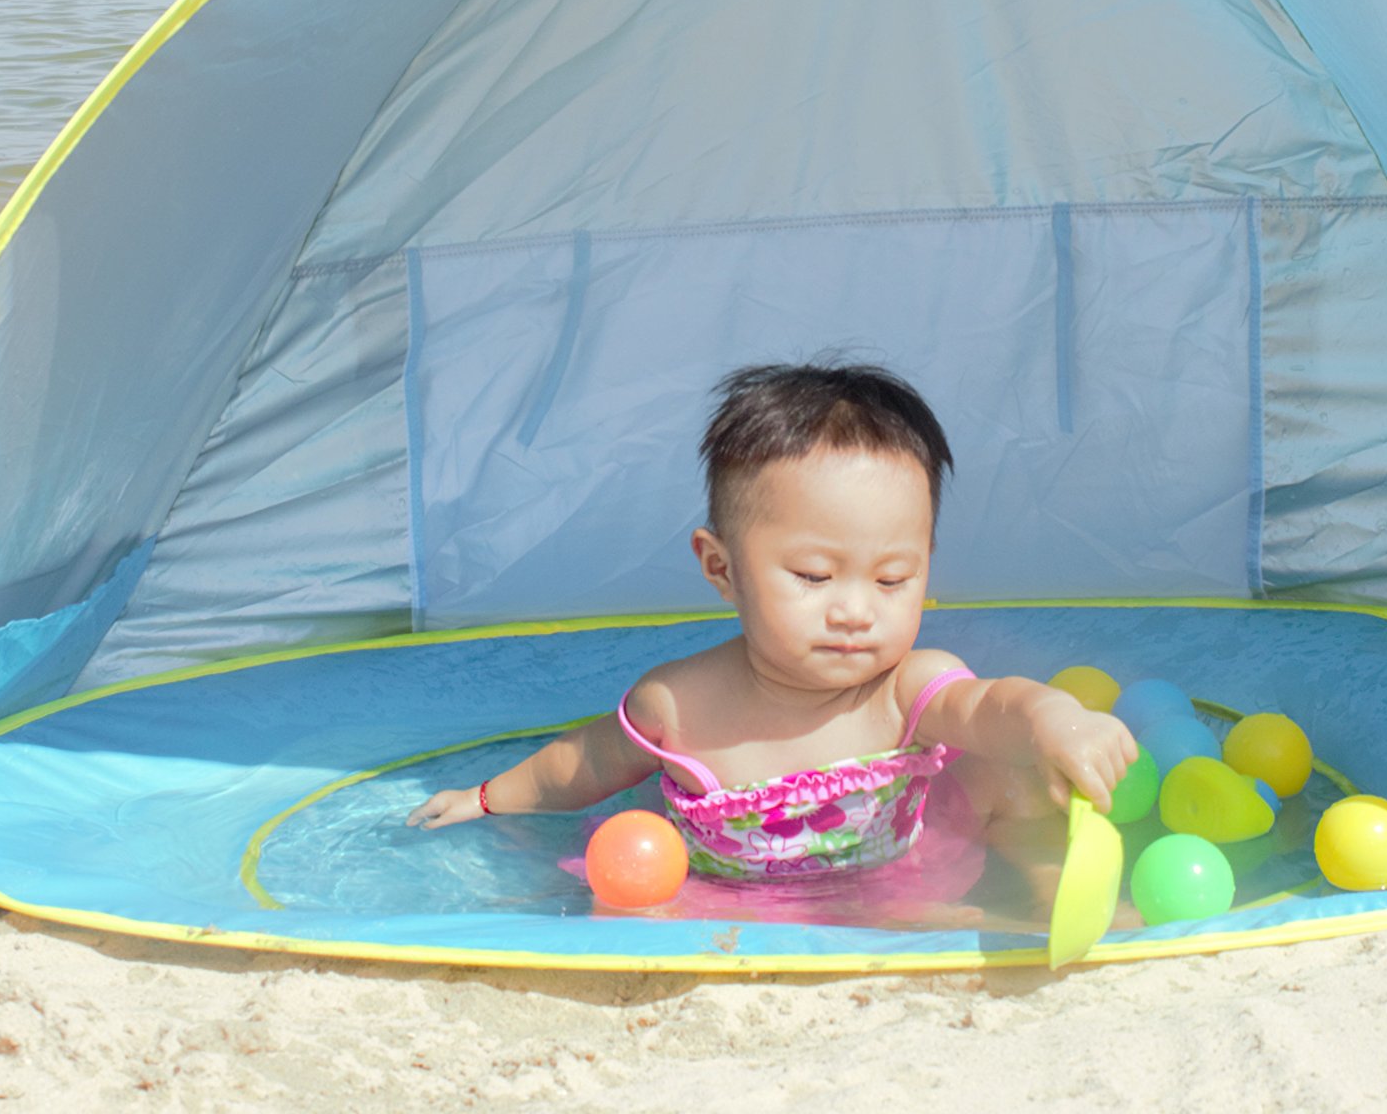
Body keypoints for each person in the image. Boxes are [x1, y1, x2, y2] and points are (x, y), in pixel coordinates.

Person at [407, 362, 1135, 918]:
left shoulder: (907, 687)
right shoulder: (679, 705)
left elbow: (993, 706)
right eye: (815, 575)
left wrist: (1058, 723)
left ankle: (1050, 884)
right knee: (646, 905)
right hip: (738, 898)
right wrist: (487, 799)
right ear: (721, 567)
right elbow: (588, 761)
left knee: (1004, 774)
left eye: (892, 580)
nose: (856, 611)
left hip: (903, 862)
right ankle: (961, 927)